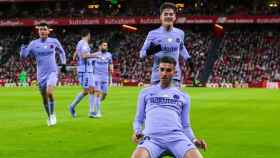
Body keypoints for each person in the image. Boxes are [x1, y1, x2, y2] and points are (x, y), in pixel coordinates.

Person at [131, 56, 207, 158]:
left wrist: (194, 140)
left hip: (177, 138)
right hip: (152, 138)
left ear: (174, 72)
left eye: (168, 70)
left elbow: (185, 125)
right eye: (162, 69)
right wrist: (137, 131)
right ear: (158, 70)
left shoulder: (183, 96)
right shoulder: (145, 92)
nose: (164, 73)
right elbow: (138, 119)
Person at [20, 23, 67, 126]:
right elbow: (23, 56)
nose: (42, 31)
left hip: (52, 72)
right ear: (38, 32)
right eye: (40, 29)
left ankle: (53, 114)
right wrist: (23, 44)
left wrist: (63, 63)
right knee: (44, 98)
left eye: (44, 29)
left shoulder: (54, 41)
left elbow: (62, 52)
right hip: (41, 74)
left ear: (48, 31)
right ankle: (49, 116)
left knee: (49, 92)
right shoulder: (33, 43)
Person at [140, 2, 195, 88]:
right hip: (157, 77)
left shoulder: (180, 33)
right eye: (165, 14)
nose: (168, 16)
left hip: (175, 77)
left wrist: (188, 59)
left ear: (174, 17)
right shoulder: (152, 34)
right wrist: (155, 49)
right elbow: (142, 54)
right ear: (161, 17)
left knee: (174, 100)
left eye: (171, 14)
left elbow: (181, 47)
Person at [69, 29, 98, 118]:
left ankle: (74, 106)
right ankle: (90, 112)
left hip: (87, 69)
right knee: (89, 90)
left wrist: (74, 58)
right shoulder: (84, 44)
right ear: (88, 35)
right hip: (84, 70)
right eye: (90, 35)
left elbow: (76, 53)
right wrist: (96, 55)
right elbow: (84, 56)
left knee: (90, 90)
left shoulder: (80, 43)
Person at [90, 41, 113, 118]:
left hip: (105, 77)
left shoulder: (109, 55)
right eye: (104, 45)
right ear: (100, 46)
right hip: (97, 77)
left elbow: (110, 63)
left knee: (105, 94)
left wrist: (111, 68)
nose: (105, 47)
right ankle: (98, 112)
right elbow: (89, 62)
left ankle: (97, 103)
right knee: (98, 93)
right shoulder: (95, 54)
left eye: (106, 45)